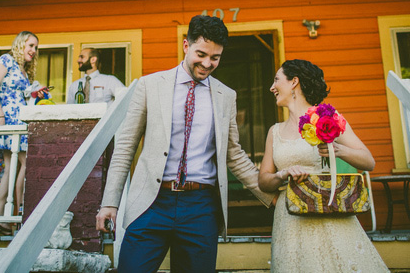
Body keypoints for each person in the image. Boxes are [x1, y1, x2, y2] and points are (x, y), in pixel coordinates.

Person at [96, 15, 274, 273]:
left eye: (215, 57)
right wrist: (109, 202)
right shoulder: (149, 86)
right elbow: (125, 147)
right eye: (201, 54)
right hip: (151, 203)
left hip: (201, 207)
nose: (207, 63)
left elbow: (234, 155)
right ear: (185, 45)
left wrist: (271, 197)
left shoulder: (227, 96)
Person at [258, 59, 388, 272]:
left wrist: (337, 149)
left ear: (294, 82)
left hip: (328, 214)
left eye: (276, 80)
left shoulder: (329, 118)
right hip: (290, 222)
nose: (272, 87)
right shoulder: (275, 131)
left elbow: (369, 161)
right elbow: (263, 181)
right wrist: (283, 174)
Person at [0, 31, 47, 235]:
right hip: (9, 120)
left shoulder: (24, 69)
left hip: (22, 120)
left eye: (36, 47)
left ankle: (0, 217)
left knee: (11, 167)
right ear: (20, 44)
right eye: (31, 45)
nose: (33, 50)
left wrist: (35, 93)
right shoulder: (6, 60)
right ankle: (22, 209)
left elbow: (20, 95)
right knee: (27, 163)